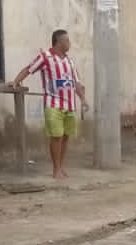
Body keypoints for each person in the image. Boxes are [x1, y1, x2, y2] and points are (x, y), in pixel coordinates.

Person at [11, 28, 87, 179]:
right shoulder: (45, 57)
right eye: (66, 40)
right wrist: (16, 81)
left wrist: (83, 99)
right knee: (56, 137)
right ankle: (56, 169)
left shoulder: (70, 61)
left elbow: (76, 83)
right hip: (53, 104)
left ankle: (61, 166)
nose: (69, 43)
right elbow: (29, 69)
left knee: (65, 137)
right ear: (58, 42)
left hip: (70, 105)